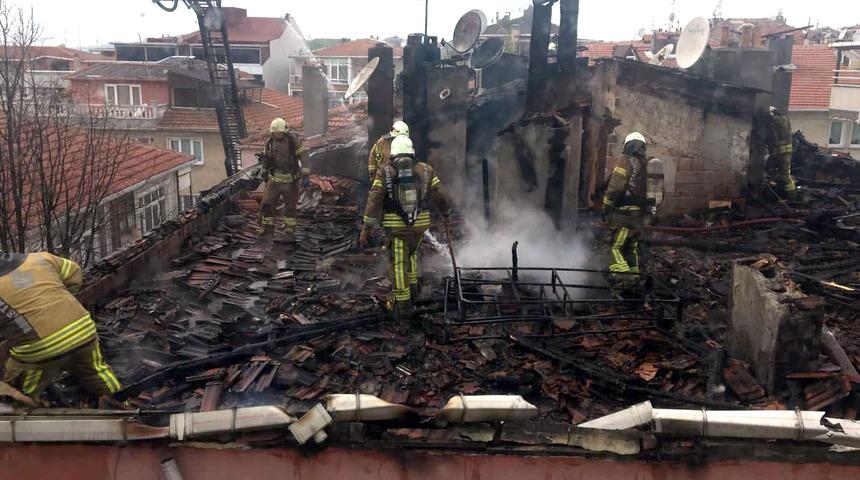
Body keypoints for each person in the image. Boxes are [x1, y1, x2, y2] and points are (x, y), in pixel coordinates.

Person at [0, 251, 121, 400]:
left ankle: (24, 415)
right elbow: (75, 272)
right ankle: (121, 403)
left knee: (19, 394)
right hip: (82, 330)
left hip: (40, 348)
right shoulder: (40, 258)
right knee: (97, 373)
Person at [359, 136, 451, 320]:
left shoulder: (384, 172)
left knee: (399, 264)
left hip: (397, 228)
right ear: (412, 151)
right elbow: (440, 195)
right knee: (413, 254)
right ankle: (415, 290)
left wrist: (366, 229)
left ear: (392, 153)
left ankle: (403, 305)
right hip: (419, 226)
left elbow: (374, 200)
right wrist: (446, 215)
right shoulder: (426, 170)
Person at [602, 132, 649, 283]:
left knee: (614, 247)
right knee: (631, 248)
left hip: (623, 216)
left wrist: (606, 207)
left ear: (627, 145)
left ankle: (624, 282)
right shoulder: (647, 164)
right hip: (639, 218)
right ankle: (635, 279)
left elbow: (615, 187)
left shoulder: (625, 161)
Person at [258, 117, 309, 239]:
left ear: (284, 131)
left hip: (290, 182)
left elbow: (304, 156)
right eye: (275, 132)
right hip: (274, 181)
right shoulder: (269, 142)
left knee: (290, 208)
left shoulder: (293, 141)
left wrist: (306, 173)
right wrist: (264, 169)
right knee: (267, 205)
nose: (277, 134)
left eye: (279, 132)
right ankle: (267, 229)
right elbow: (265, 157)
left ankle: (289, 230)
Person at [765, 107, 797, 199]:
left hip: (784, 154)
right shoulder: (775, 124)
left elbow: (776, 120)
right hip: (777, 153)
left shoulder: (783, 119)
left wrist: (767, 113)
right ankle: (776, 190)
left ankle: (791, 196)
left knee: (785, 176)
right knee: (769, 169)